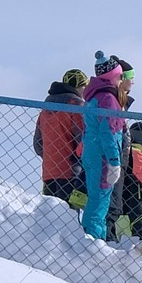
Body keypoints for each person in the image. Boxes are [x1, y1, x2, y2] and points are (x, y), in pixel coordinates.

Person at [78, 55, 131, 239]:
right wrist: (114, 161)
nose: (121, 79)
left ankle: (89, 236)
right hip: (103, 157)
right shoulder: (108, 99)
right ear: (111, 76)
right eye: (119, 76)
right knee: (100, 201)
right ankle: (93, 241)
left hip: (92, 152)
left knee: (95, 199)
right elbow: (108, 132)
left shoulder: (95, 96)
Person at [34, 70, 87, 201]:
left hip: (49, 172)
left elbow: (38, 144)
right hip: (72, 171)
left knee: (51, 215)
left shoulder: (45, 110)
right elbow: (82, 138)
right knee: (69, 216)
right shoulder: (76, 106)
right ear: (80, 87)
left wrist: (52, 157)